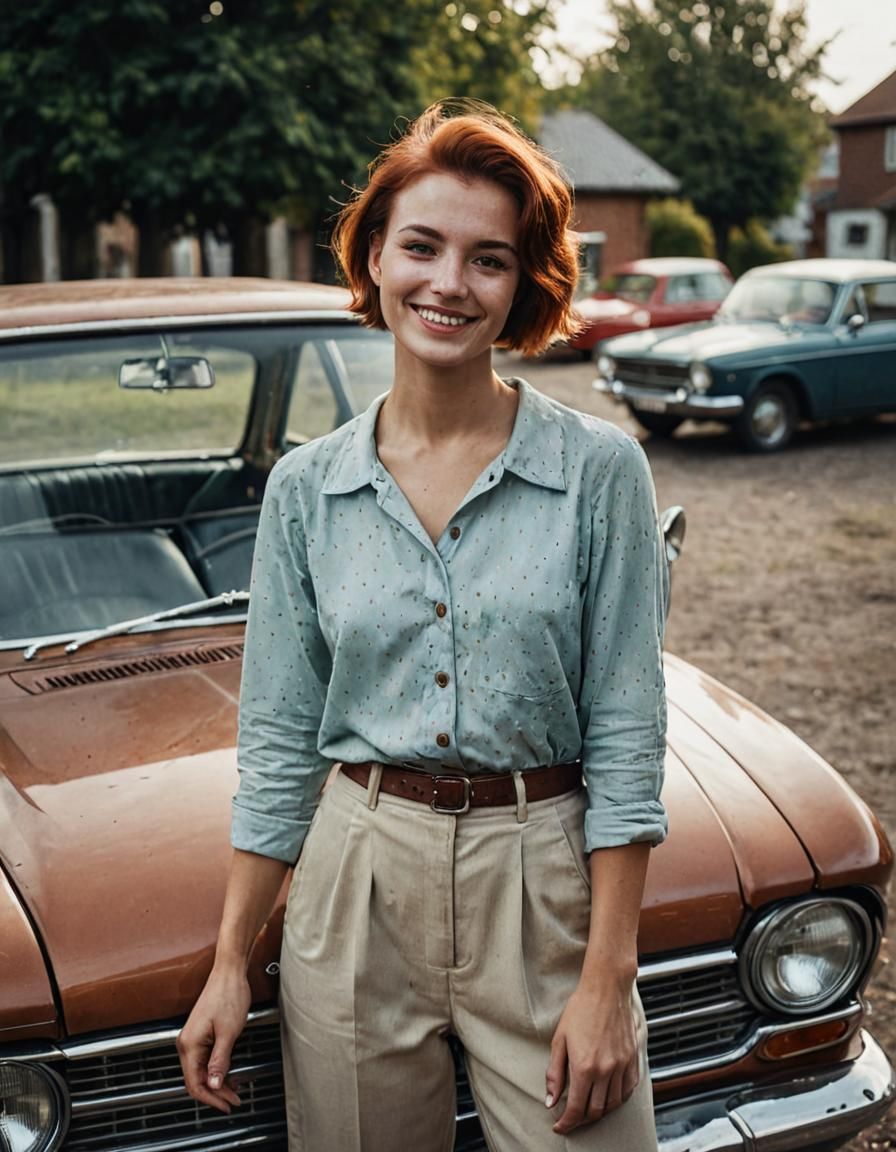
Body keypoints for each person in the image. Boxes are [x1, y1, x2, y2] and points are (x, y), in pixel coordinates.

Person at [178, 99, 668, 1151]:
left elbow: (628, 736)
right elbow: (276, 740)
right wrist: (229, 960)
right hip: (355, 879)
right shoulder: (306, 490)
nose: (448, 285)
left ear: (523, 283)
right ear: (374, 257)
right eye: (421, 247)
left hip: (541, 876)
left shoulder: (598, 472)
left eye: (487, 259)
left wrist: (605, 981)